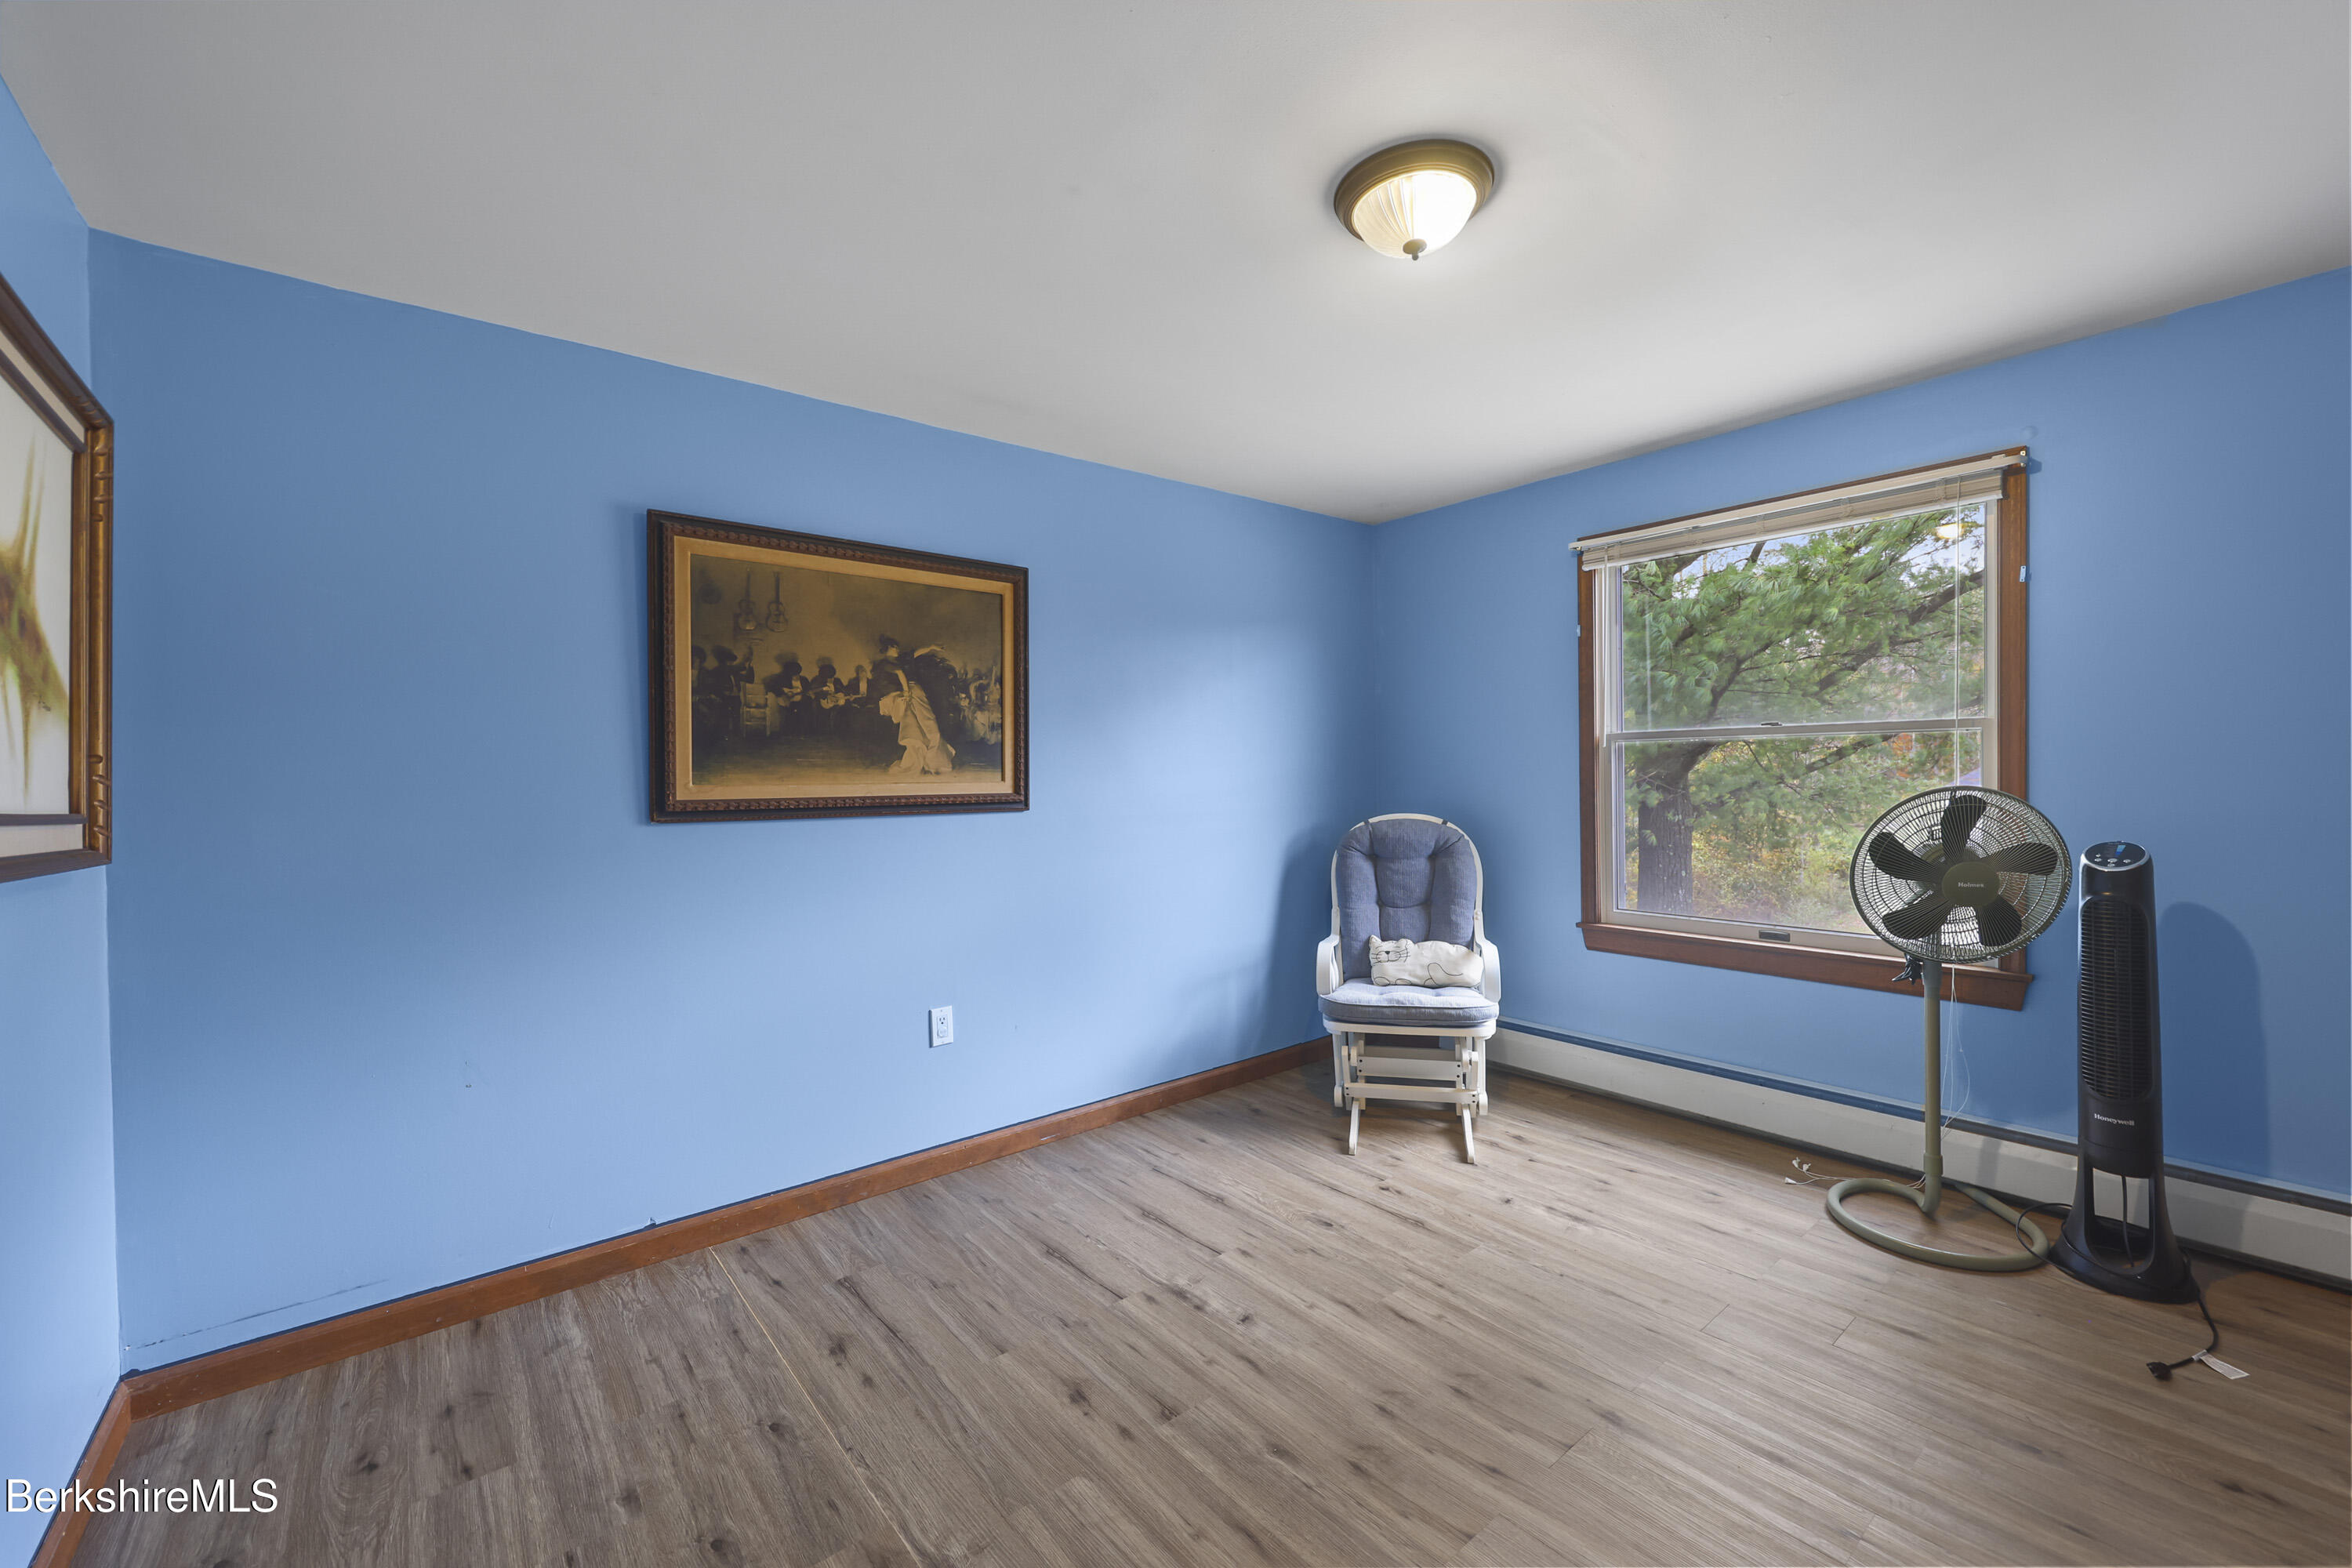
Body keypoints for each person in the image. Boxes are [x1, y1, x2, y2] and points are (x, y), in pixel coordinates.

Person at [873, 634, 957, 776]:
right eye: (895, 647)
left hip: (912, 692)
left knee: (928, 724)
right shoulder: (884, 664)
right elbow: (898, 675)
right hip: (906, 694)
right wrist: (905, 692)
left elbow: (917, 653)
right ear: (887, 648)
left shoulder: (903, 659)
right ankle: (919, 763)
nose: (897, 649)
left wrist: (931, 647)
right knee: (913, 731)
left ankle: (934, 763)